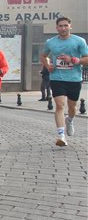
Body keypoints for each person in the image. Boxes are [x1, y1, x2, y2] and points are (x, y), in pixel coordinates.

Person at [39, 16, 88, 147]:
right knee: (60, 105)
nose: (63, 28)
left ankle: (70, 120)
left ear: (70, 27)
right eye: (60, 26)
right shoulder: (51, 42)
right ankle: (61, 136)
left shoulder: (79, 41)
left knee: (72, 107)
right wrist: (48, 65)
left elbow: (86, 58)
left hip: (74, 78)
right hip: (57, 78)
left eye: (66, 25)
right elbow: (43, 56)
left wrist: (74, 60)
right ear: (57, 28)